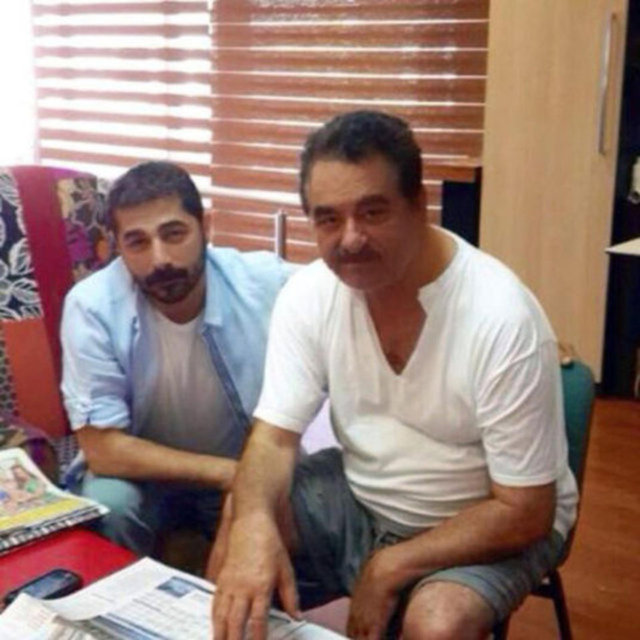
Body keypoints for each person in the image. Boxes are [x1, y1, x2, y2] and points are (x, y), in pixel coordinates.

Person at [210, 111, 579, 640]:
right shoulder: (309, 295)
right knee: (245, 519)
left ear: (418, 205)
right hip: (364, 494)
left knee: (438, 622)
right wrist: (251, 527)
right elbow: (273, 438)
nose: (350, 239)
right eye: (328, 219)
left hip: (483, 518)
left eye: (373, 212)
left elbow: (525, 511)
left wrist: (390, 566)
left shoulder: (500, 317)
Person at [60, 161, 291, 557]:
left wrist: (251, 475)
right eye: (137, 242)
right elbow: (103, 449)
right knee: (110, 505)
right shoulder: (92, 306)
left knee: (301, 498)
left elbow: (351, 292)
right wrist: (228, 474)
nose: (160, 259)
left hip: (245, 460)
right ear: (117, 246)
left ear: (207, 226)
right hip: (144, 477)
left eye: (174, 234)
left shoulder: (266, 283)